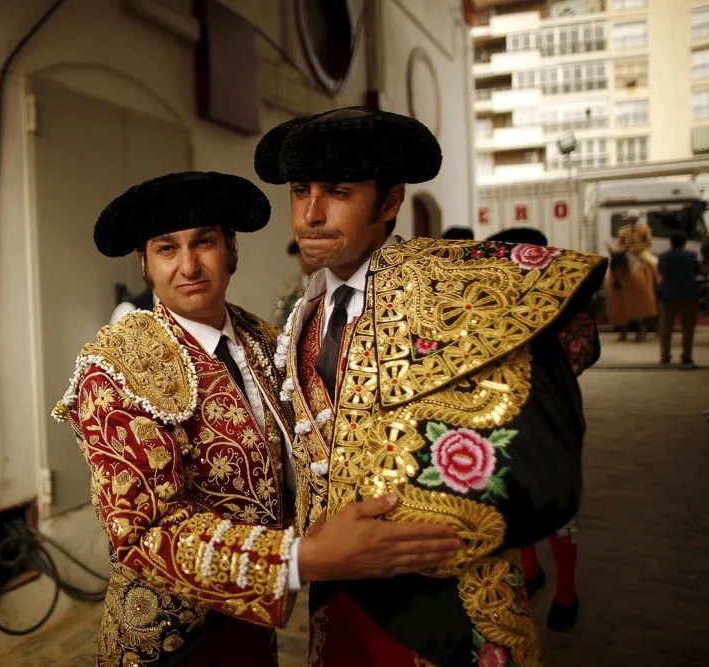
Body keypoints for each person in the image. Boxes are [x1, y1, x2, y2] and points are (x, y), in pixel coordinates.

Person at [51, 171, 459, 667]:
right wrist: (304, 559)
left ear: (232, 250)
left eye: (204, 242)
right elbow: (143, 533)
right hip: (172, 642)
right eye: (166, 249)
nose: (188, 266)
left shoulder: (265, 340)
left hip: (252, 624)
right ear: (145, 264)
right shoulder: (117, 366)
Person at [254, 107, 607, 666]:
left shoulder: (457, 289)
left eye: (338, 192)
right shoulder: (304, 312)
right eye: (301, 192)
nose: (311, 214)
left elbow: (546, 464)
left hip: (446, 603)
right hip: (337, 595)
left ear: (389, 203)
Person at [487, 227, 601, 632]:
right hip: (505, 415)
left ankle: (566, 591)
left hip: (551, 415)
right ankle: (533, 572)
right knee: (515, 494)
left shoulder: (561, 300)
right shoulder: (498, 301)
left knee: (554, 500)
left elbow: (581, 353)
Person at [606, 210, 658, 342]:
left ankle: (656, 282)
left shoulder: (644, 229)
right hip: (626, 253)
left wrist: (637, 247)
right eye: (630, 220)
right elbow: (620, 244)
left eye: (634, 219)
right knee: (611, 270)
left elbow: (648, 243)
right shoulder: (623, 231)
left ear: (637, 220)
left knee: (654, 264)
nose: (632, 222)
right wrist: (625, 248)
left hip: (640, 252)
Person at [658, 233, 701, 368]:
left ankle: (665, 355)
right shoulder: (692, 255)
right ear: (684, 242)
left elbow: (660, 271)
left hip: (668, 295)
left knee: (666, 327)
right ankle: (687, 355)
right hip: (689, 294)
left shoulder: (663, 256)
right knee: (688, 328)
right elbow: (697, 271)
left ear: (671, 242)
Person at [274, 240, 315, 327]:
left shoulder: (326, 282)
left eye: (307, 254)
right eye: (299, 254)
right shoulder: (288, 285)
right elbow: (279, 317)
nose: (302, 259)